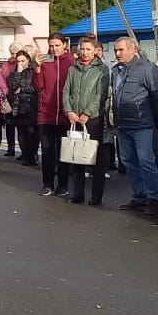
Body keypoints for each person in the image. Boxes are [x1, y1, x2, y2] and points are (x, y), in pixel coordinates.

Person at [109, 36, 158, 215]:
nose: (117, 53)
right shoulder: (116, 71)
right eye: (116, 50)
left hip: (142, 124)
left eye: (121, 50)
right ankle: (139, 196)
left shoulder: (146, 69)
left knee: (146, 161)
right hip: (123, 124)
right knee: (129, 162)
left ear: (133, 49)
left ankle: (154, 198)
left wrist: (156, 119)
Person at [63, 37, 110, 205]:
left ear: (95, 50)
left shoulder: (102, 69)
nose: (84, 52)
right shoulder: (73, 69)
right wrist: (69, 110)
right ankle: (77, 193)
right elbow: (66, 90)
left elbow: (101, 94)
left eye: (88, 49)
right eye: (82, 49)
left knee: (94, 157)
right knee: (76, 157)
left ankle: (96, 196)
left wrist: (88, 113)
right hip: (74, 118)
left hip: (93, 119)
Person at [35, 33, 74, 197]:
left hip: (66, 114)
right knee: (47, 150)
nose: (53, 49)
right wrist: (37, 69)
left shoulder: (72, 61)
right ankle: (48, 184)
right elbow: (38, 86)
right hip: (46, 114)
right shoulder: (45, 61)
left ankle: (63, 185)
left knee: (64, 152)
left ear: (64, 45)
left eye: (57, 45)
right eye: (51, 45)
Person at [6, 47, 38, 165]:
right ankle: (25, 154)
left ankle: (32, 155)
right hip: (17, 105)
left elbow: (35, 87)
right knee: (21, 131)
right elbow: (12, 87)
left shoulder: (33, 72)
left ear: (28, 60)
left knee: (31, 131)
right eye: (18, 61)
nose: (20, 63)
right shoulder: (13, 73)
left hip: (30, 104)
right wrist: (18, 73)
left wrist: (22, 89)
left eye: (23, 61)